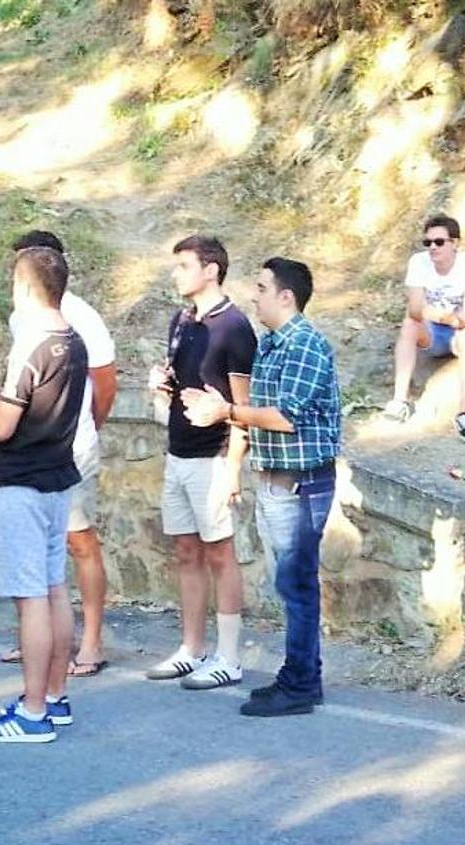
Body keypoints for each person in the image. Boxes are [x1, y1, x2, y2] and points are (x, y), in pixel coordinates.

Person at [182, 257, 341, 717]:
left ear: (286, 296)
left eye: (262, 287)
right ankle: (299, 677)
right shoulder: (273, 344)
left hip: (300, 485)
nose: (254, 295)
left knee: (296, 584)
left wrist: (225, 413)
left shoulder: (305, 345)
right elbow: (254, 406)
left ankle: (301, 683)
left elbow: (285, 416)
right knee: (289, 583)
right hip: (277, 483)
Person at [0, 247, 88, 744]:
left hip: (23, 483)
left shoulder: (31, 345)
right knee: (53, 590)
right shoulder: (75, 341)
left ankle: (30, 714)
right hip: (56, 481)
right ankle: (54, 695)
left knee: (31, 599)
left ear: (26, 288)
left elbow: (4, 425)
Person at [0, 230, 117, 677]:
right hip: (32, 448)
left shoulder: (80, 315)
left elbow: (105, 382)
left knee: (78, 540)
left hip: (71, 447)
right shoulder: (20, 320)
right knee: (34, 546)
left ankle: (91, 643)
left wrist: (84, 426)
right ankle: (35, 638)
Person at [146, 235, 256, 690]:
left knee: (220, 553)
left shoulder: (234, 327)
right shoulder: (181, 319)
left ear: (211, 270)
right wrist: (161, 383)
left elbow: (242, 404)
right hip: (178, 450)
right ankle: (192, 648)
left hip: (212, 456)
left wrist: (233, 467)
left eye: (184, 265)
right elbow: (184, 381)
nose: (176, 273)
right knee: (185, 551)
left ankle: (229, 656)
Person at [384, 214, 465, 444]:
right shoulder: (419, 263)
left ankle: (464, 412)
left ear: (455, 243)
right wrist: (444, 316)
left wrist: (436, 314)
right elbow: (414, 310)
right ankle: (399, 400)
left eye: (439, 242)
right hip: (434, 330)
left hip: (461, 332)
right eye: (428, 242)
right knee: (409, 325)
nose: (432, 247)